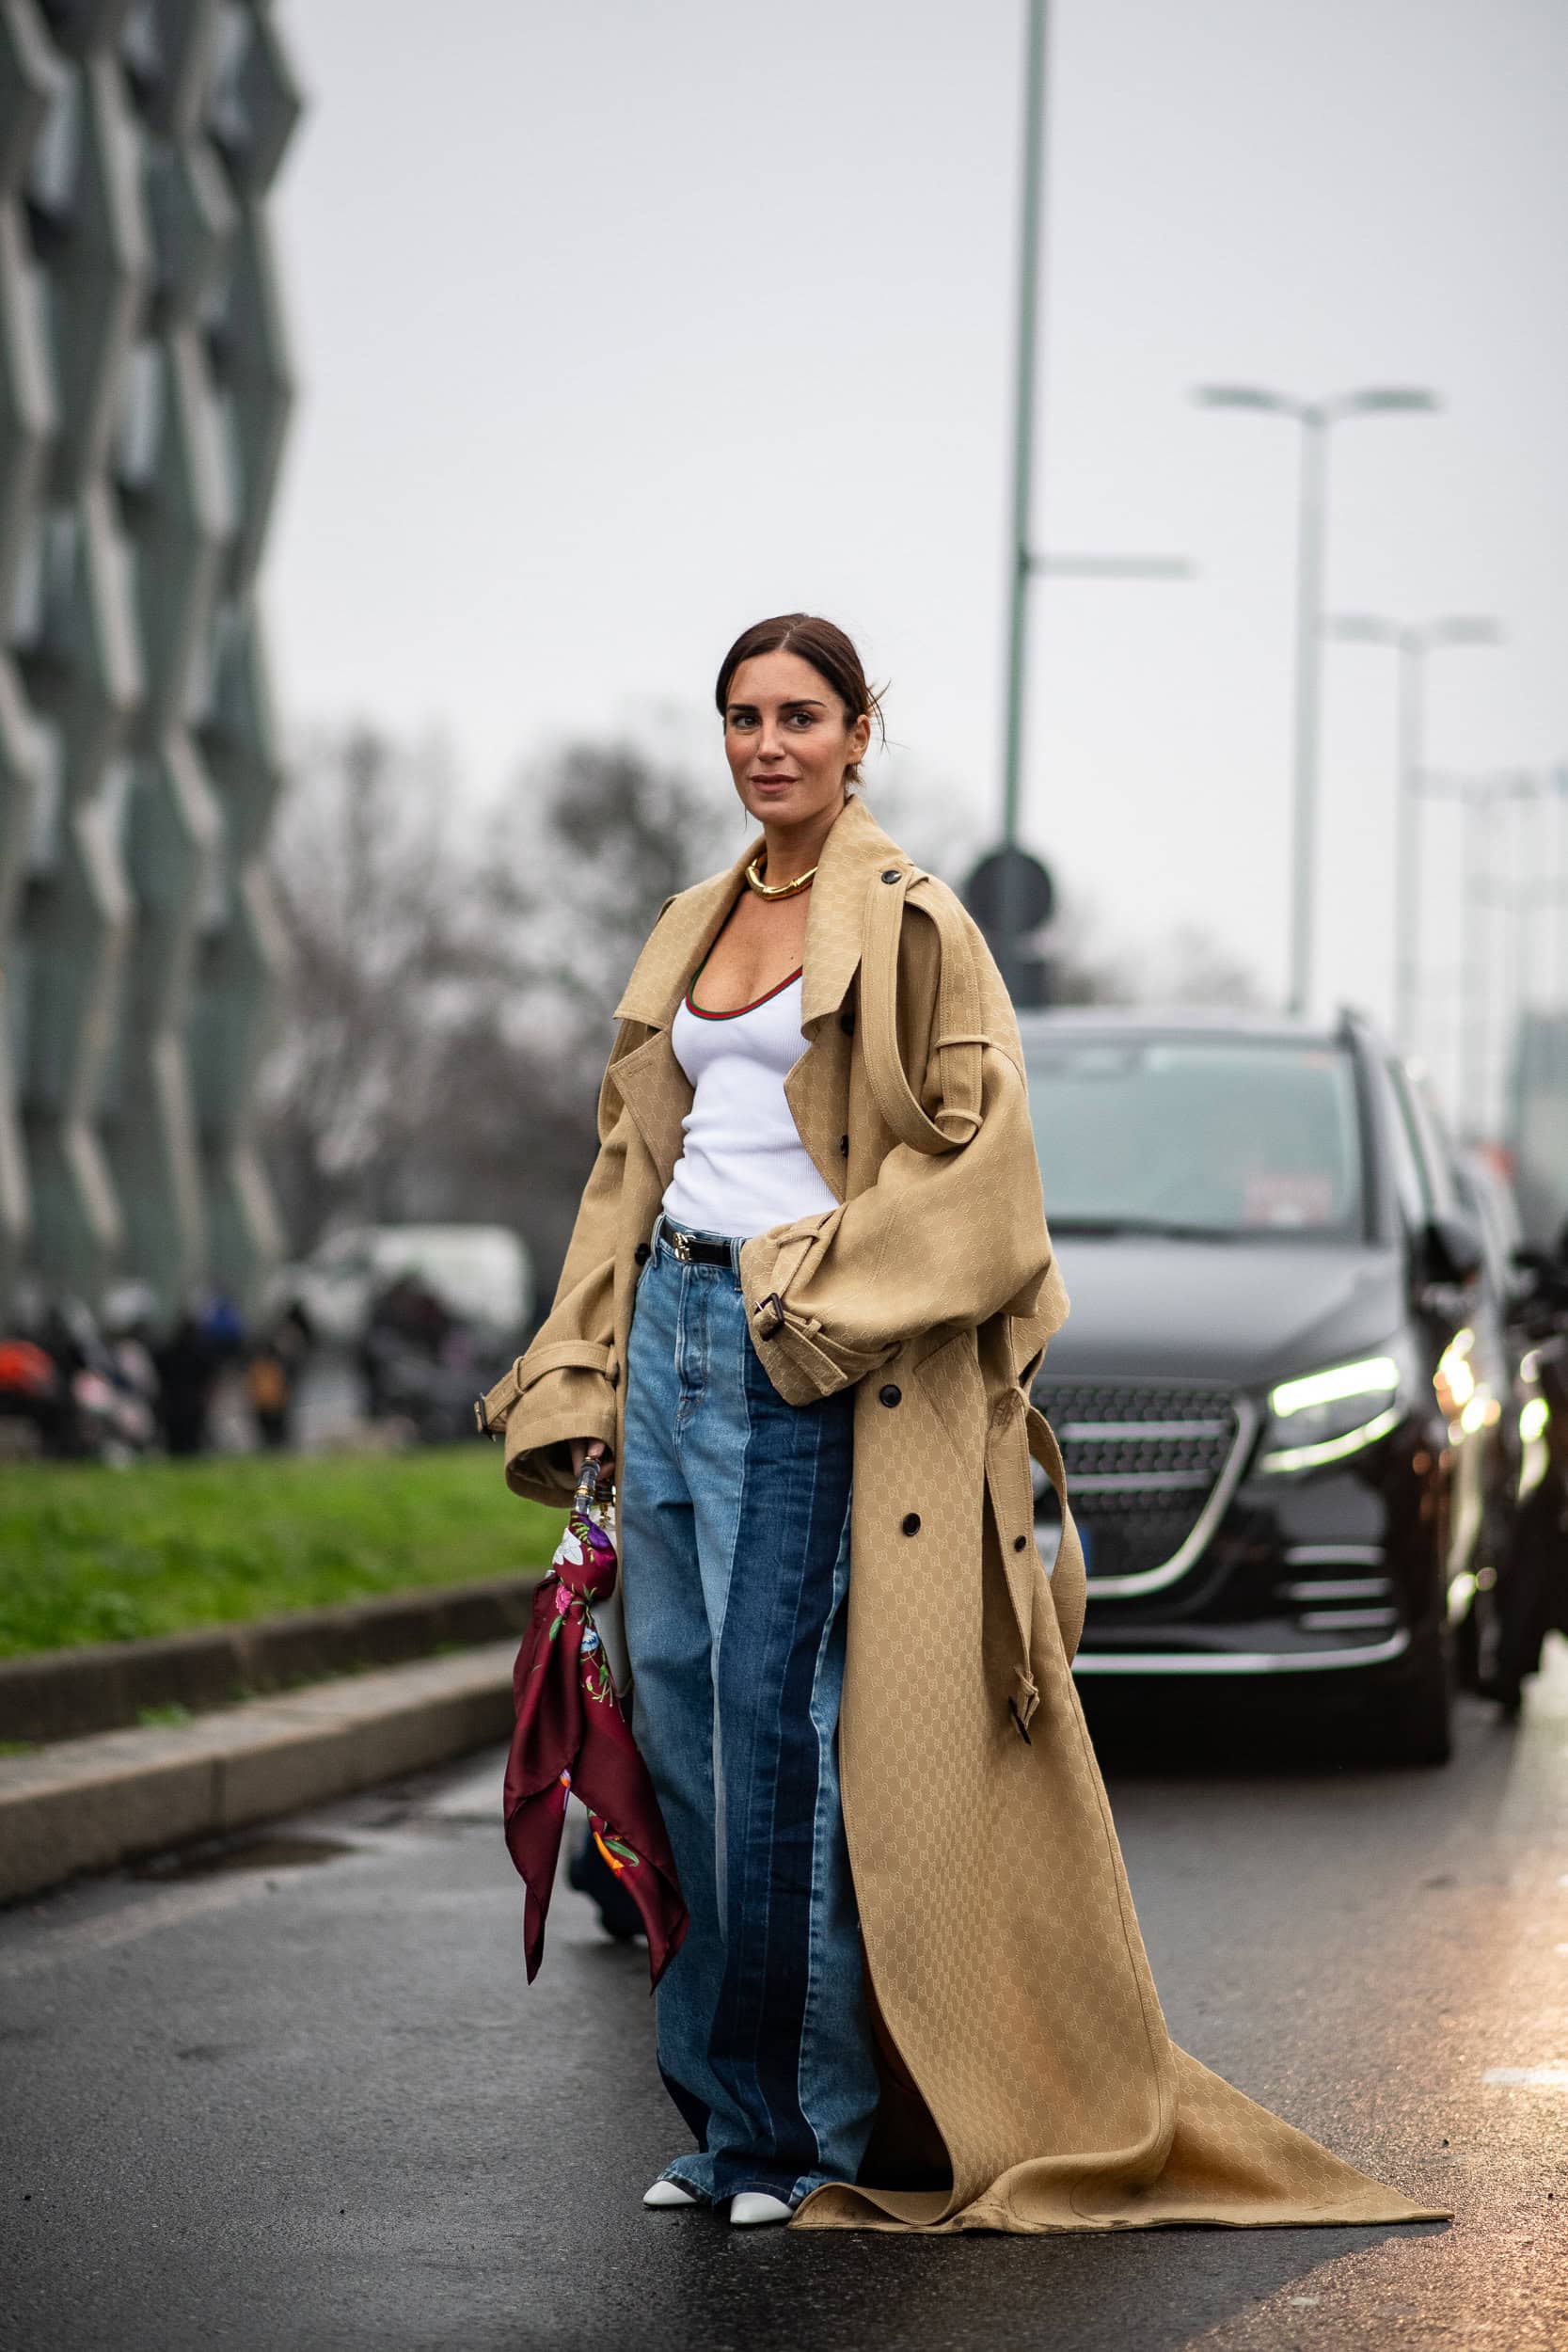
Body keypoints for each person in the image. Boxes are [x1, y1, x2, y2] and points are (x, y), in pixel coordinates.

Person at [481, 613, 1447, 2237]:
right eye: (741, 719)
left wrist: (815, 1290)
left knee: (776, 1738)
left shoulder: (921, 928)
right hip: (672, 1342)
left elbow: (988, 1185)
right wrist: (586, 1360)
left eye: (801, 717)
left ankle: (810, 2131)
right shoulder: (689, 927)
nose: (768, 745)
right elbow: (622, 1166)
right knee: (676, 1729)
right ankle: (721, 2121)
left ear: (863, 734)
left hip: (804, 1349)